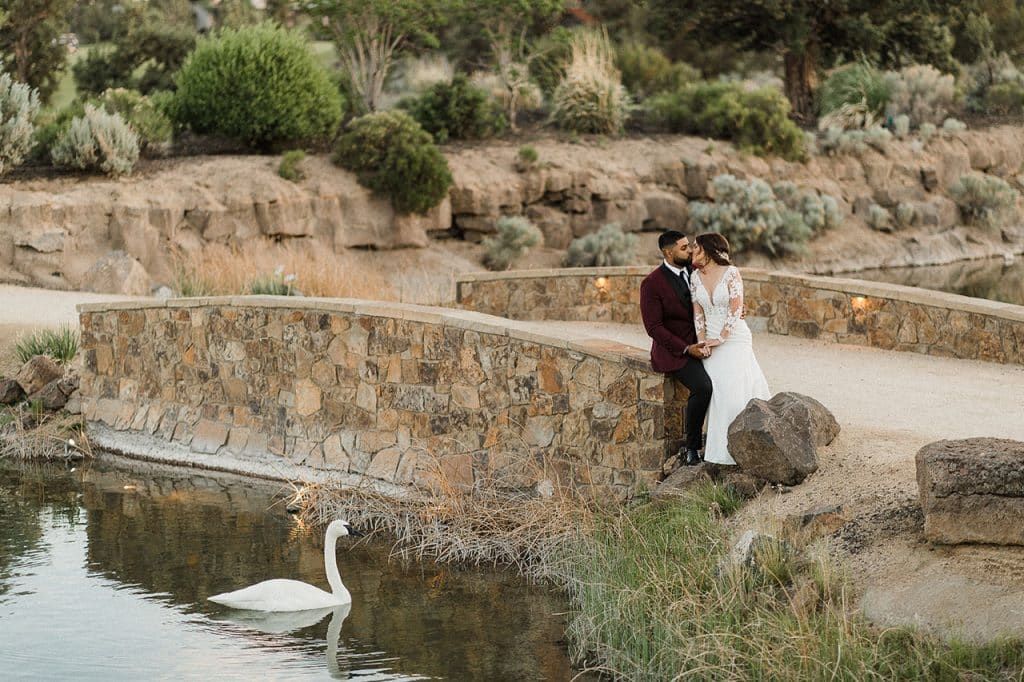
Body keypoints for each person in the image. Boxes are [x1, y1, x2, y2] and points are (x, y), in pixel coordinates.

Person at [689, 232, 770, 465]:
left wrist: (722, 338)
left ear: (709, 249)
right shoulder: (694, 277)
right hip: (710, 342)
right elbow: (698, 312)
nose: (693, 251)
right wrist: (703, 340)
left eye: (697, 247)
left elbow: (736, 308)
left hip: (734, 339)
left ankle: (749, 446)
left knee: (735, 390)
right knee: (718, 392)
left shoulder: (732, 273)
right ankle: (719, 452)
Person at [639, 230, 711, 467]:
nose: (690, 250)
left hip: (705, 342)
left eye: (689, 246)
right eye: (683, 248)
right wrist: (686, 348)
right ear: (668, 252)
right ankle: (692, 448)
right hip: (675, 351)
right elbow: (654, 328)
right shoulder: (651, 284)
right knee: (702, 387)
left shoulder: (696, 272)